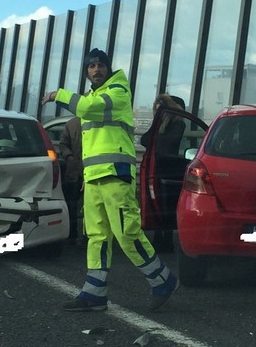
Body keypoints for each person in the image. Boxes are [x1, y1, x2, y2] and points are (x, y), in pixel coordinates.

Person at [41, 48, 179, 313]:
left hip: (116, 174)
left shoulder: (118, 91)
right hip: (94, 177)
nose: (96, 70)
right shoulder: (94, 95)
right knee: (97, 236)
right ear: (86, 72)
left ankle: (163, 279)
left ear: (108, 68)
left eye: (100, 65)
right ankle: (94, 293)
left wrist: (59, 95)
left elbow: (87, 108)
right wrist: (86, 175)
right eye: (91, 66)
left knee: (126, 232)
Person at [140, 93, 185, 253]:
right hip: (158, 167)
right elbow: (144, 140)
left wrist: (156, 128)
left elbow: (166, 143)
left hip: (168, 168)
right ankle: (160, 236)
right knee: (157, 202)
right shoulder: (162, 125)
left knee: (166, 203)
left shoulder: (177, 124)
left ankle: (165, 238)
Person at [58, 115, 83, 245]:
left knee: (85, 207)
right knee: (72, 206)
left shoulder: (72, 123)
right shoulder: (72, 124)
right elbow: (63, 144)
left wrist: (69, 157)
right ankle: (73, 235)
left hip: (86, 172)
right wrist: (69, 156)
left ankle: (81, 236)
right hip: (76, 172)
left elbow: (63, 144)